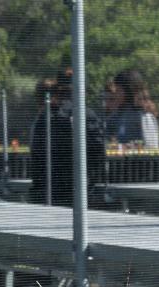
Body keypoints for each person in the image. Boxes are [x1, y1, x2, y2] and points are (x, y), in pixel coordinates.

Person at [29, 69, 106, 206]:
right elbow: (98, 151)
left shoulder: (44, 117)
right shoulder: (87, 115)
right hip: (79, 191)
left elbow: (36, 155)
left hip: (47, 192)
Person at [105, 70, 159, 149]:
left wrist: (122, 147)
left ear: (129, 91)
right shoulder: (116, 116)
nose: (116, 94)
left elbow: (151, 147)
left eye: (118, 90)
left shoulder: (144, 116)